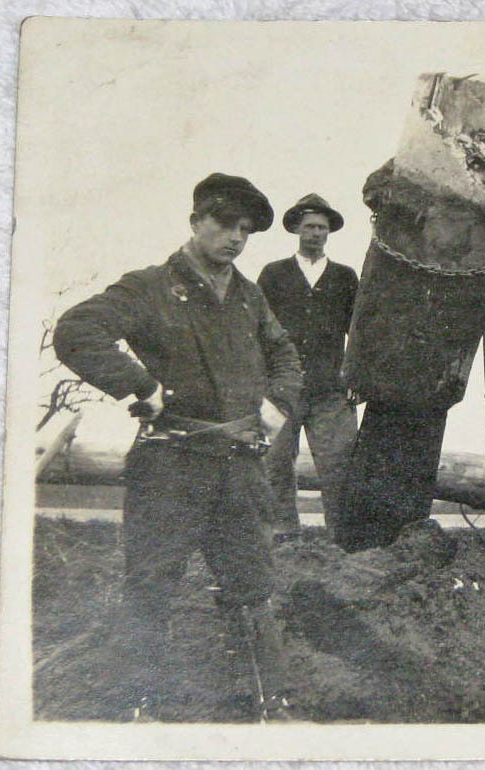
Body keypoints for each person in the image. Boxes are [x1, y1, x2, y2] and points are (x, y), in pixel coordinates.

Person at [53, 173, 302, 722]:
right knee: (151, 586)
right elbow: (76, 330)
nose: (235, 238)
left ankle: (270, 707)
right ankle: (137, 707)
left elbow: (286, 355)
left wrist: (276, 406)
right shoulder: (149, 287)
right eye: (224, 224)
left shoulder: (249, 295)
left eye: (245, 229)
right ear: (195, 222)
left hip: (239, 469)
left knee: (254, 587)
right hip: (170, 467)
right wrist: (140, 386)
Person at [257, 194, 359, 540]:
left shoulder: (345, 277)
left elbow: (357, 330)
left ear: (329, 232)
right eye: (309, 227)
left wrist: (354, 376)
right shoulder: (274, 274)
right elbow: (258, 328)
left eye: (321, 227)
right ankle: (282, 534)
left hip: (330, 389)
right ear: (296, 230)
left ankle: (342, 537)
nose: (315, 233)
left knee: (339, 464)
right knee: (274, 463)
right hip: (280, 390)